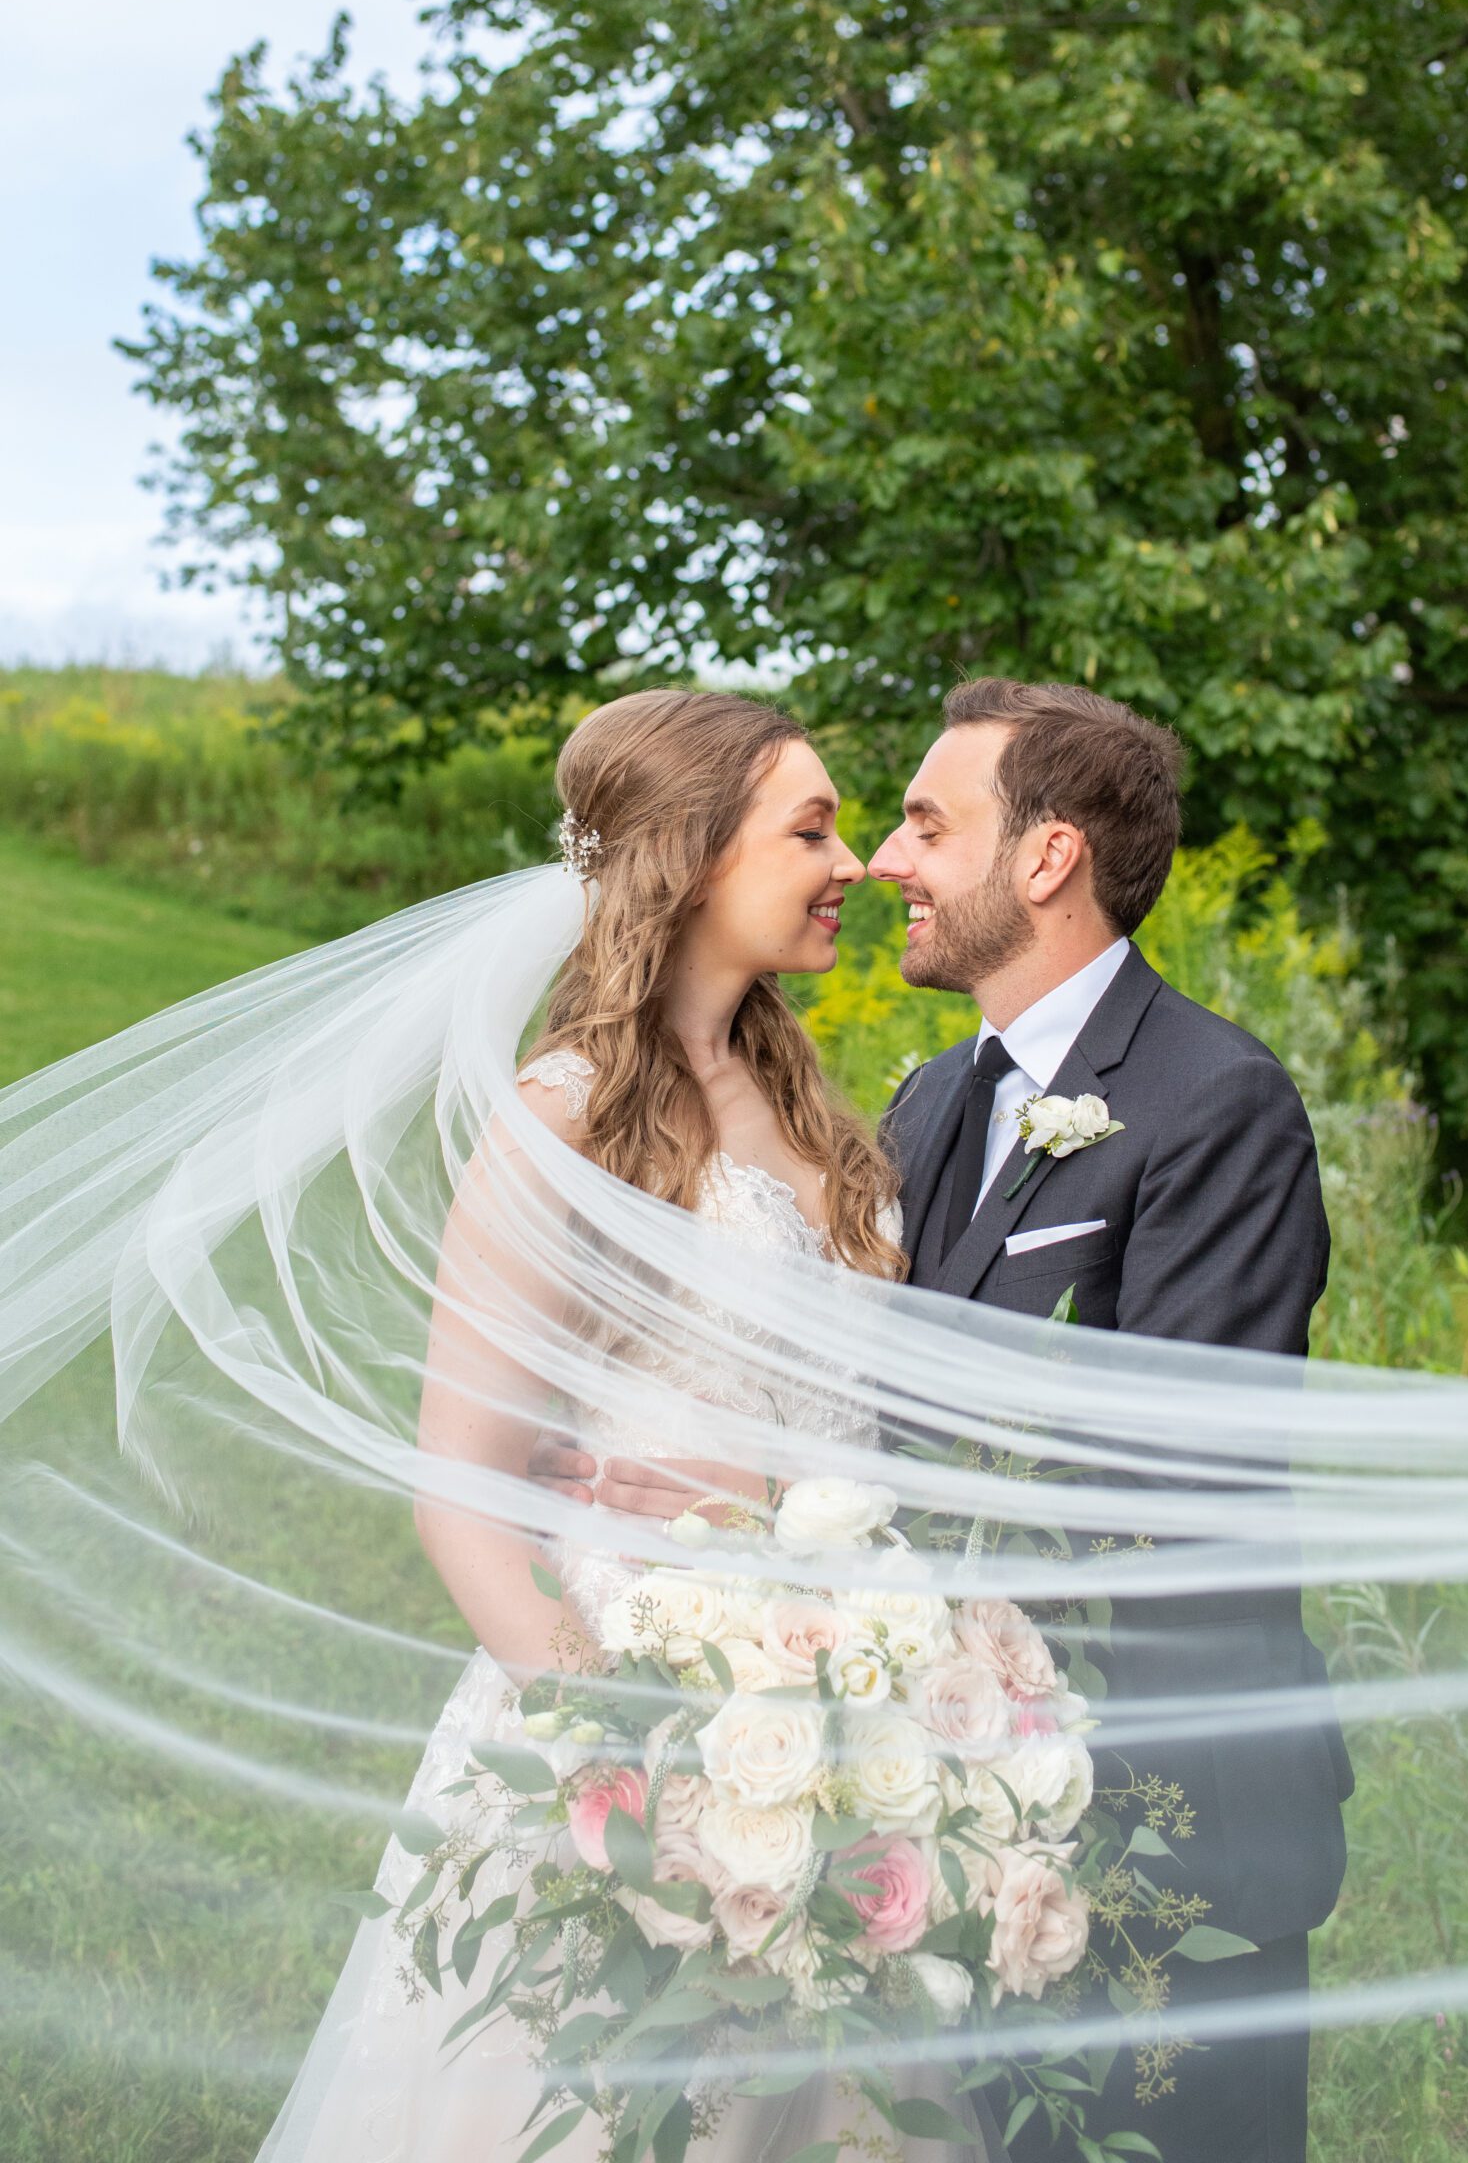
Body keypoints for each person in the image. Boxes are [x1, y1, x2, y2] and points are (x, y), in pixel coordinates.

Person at [258, 688, 1001, 2163]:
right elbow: (461, 1493)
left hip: (839, 1717)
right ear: (690, 859)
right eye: (811, 828)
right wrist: (633, 1758)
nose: (851, 861)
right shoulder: (566, 1118)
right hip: (631, 1723)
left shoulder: (808, 1110)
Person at [867, 678, 1354, 2163]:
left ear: (1046, 860)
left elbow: (1169, 1476)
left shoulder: (1218, 1104)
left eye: (925, 823)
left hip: (1163, 1816)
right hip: (962, 1780)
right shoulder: (932, 1100)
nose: (889, 860)